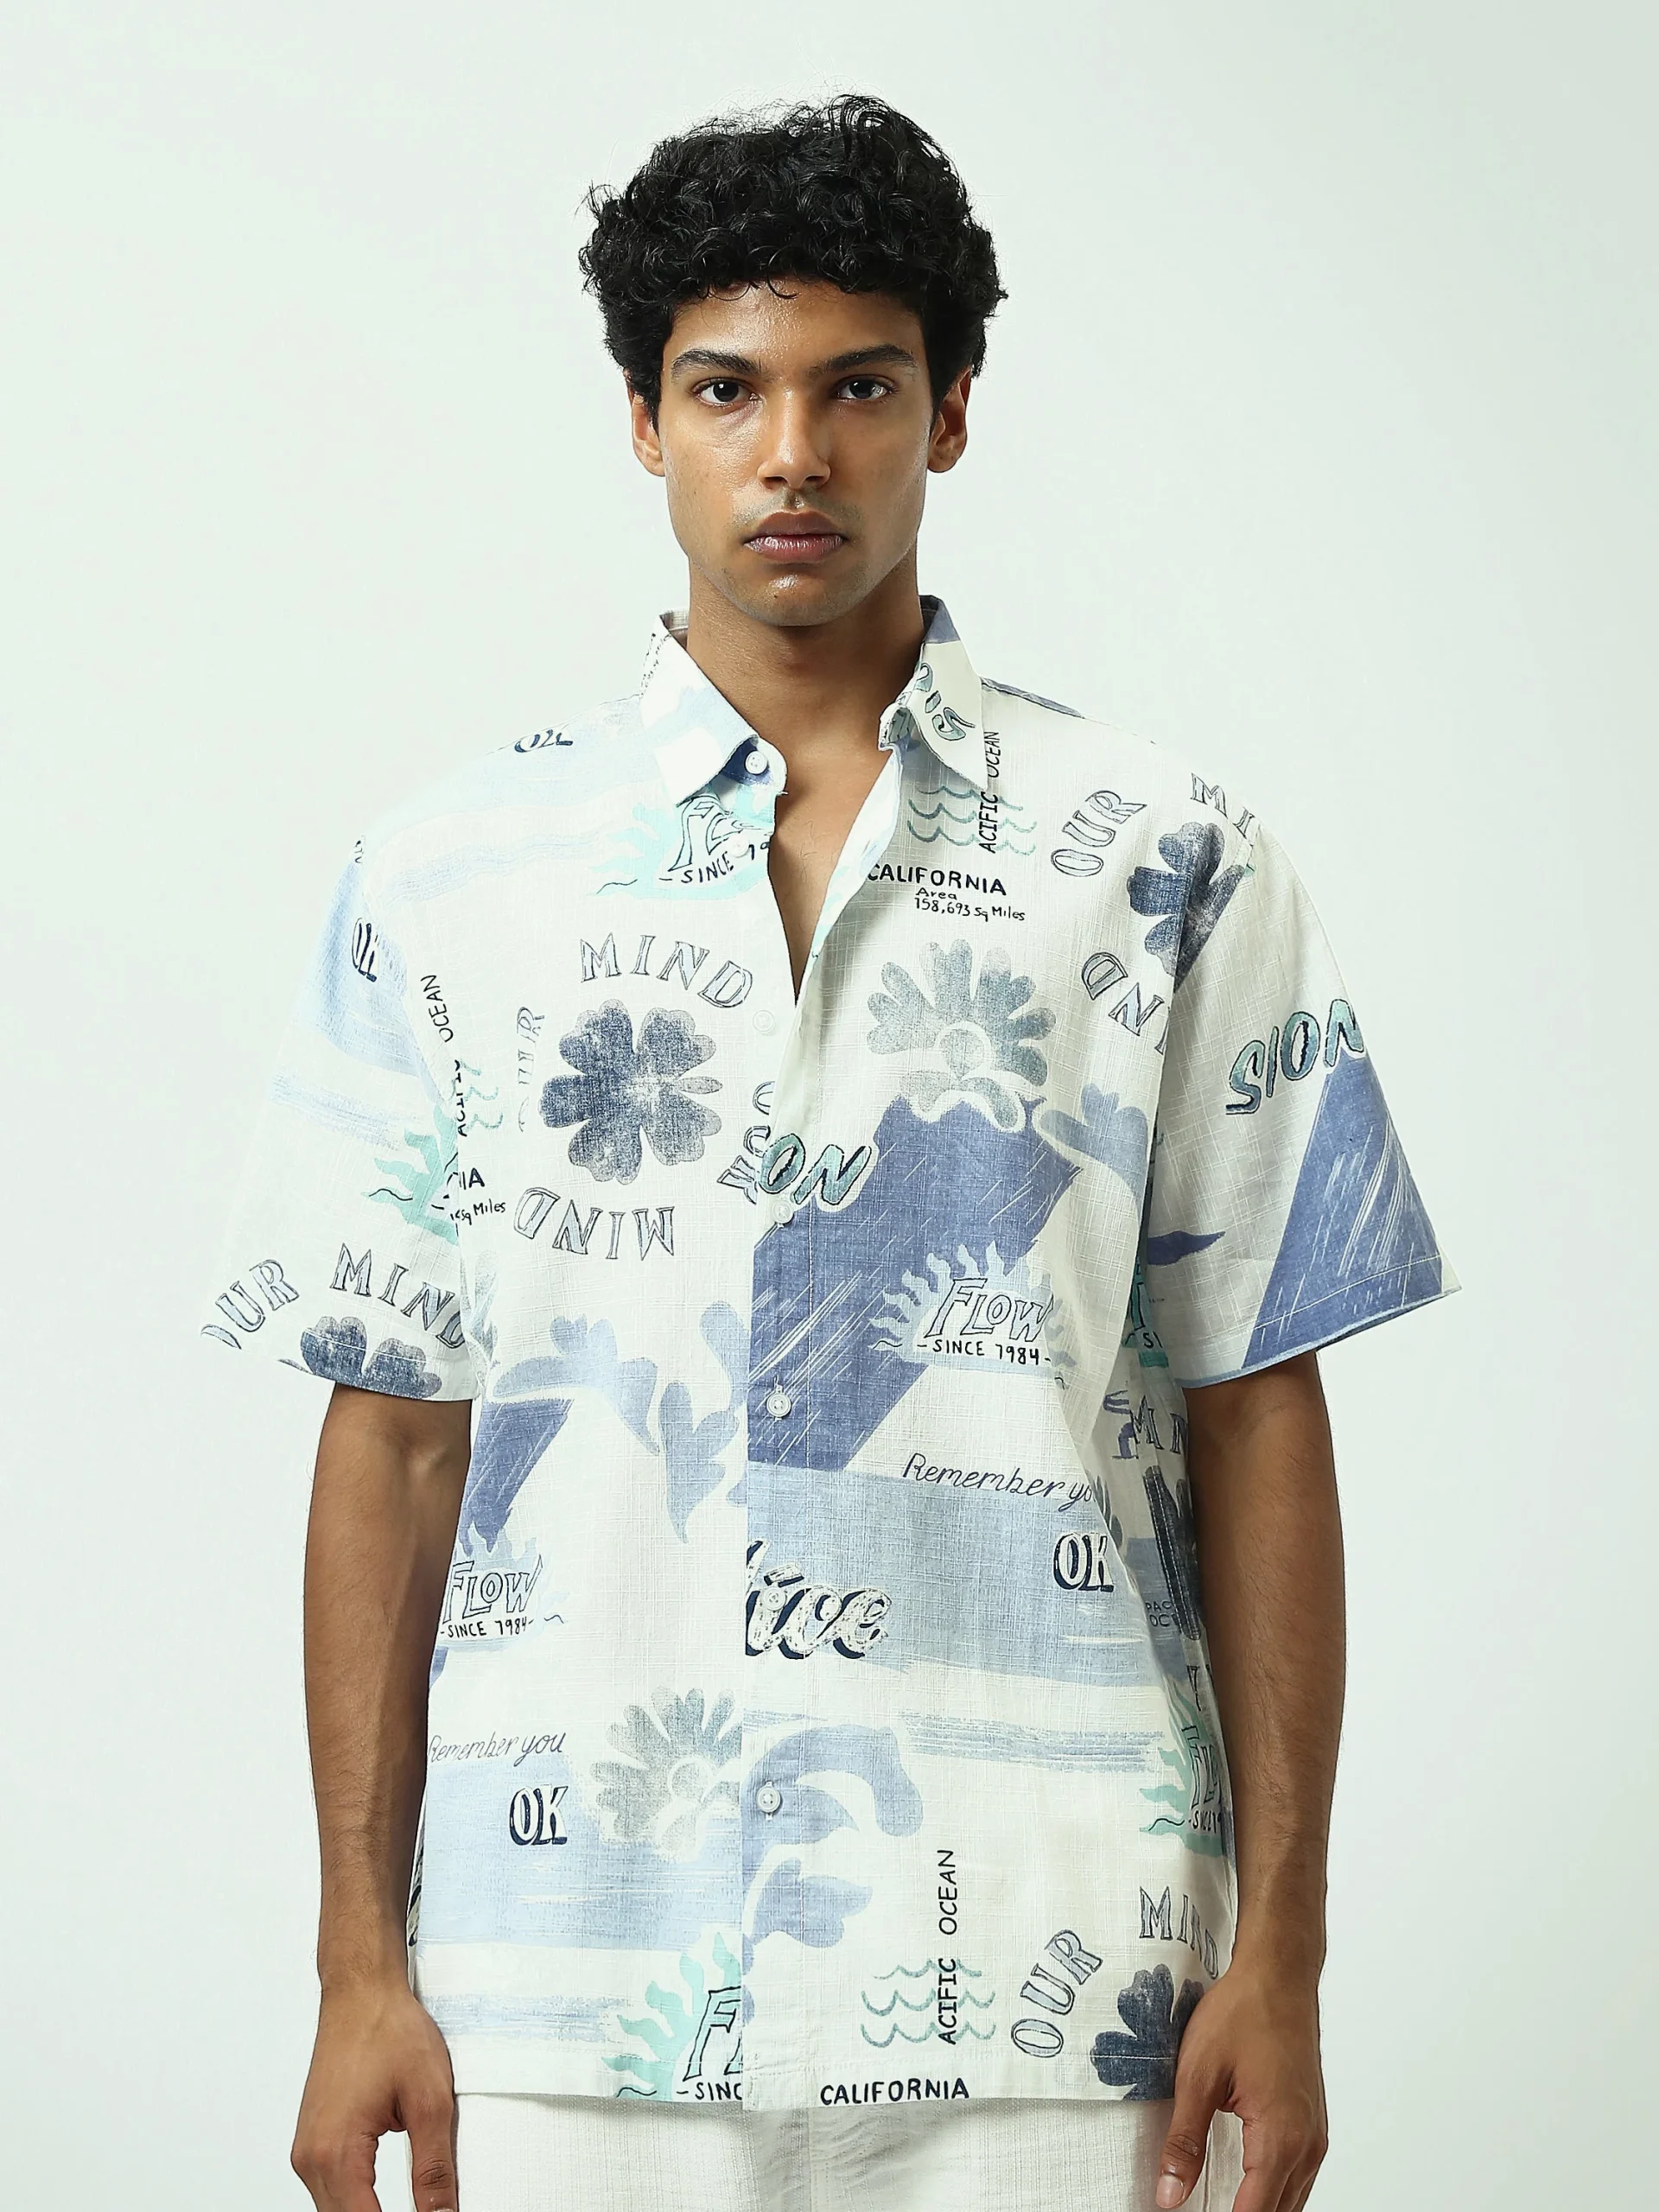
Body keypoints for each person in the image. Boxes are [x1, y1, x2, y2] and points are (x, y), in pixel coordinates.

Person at [201, 91, 1459, 2212]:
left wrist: (1289, 1951)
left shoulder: (1164, 856)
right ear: (644, 422)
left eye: (858, 386)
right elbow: (396, 1435)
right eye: (727, 389)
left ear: (950, 411)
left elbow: (1258, 1405)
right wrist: (355, 1965)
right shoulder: (444, 878)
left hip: (1064, 1990)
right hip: (556, 1998)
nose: (792, 452)